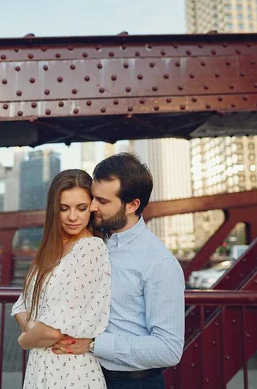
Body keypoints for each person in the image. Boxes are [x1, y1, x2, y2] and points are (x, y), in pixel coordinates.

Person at [52, 153, 185, 389]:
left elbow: (169, 349)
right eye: (93, 197)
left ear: (132, 205)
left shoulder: (159, 262)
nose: (92, 207)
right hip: (87, 376)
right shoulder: (93, 241)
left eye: (102, 202)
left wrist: (93, 344)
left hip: (133, 383)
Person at [11, 169, 111, 388]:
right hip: (40, 368)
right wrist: (36, 329)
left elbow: (51, 331)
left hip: (71, 372)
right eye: (64, 208)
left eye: (81, 208)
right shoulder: (52, 249)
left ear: (92, 208)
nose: (72, 217)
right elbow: (21, 306)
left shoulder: (90, 249)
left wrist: (24, 340)